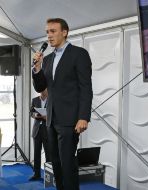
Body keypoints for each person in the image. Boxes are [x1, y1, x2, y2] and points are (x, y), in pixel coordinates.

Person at [32, 18, 93, 190]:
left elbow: (86, 88)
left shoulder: (79, 54)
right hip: (51, 119)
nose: (49, 36)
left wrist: (83, 117)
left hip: (70, 119)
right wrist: (36, 69)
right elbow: (41, 87)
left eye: (53, 31)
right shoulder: (48, 58)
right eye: (47, 32)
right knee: (56, 164)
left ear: (64, 32)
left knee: (67, 164)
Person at [29, 89, 50, 181]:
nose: (42, 91)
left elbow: (56, 113)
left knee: (49, 154)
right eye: (41, 90)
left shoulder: (52, 99)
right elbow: (31, 112)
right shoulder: (35, 100)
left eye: (44, 90)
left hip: (48, 130)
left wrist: (47, 117)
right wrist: (35, 115)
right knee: (36, 153)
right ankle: (36, 174)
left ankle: (49, 175)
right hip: (37, 130)